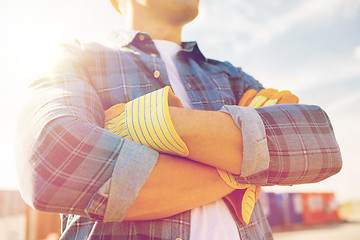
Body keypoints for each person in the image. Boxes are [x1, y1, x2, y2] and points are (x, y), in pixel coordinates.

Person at [16, 0, 342, 239]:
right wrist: (247, 165)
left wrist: (146, 123)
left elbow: (317, 143)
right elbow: (54, 161)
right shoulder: (75, 58)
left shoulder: (231, 76)